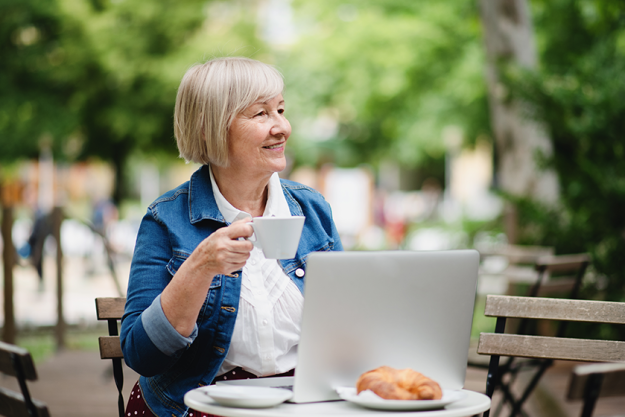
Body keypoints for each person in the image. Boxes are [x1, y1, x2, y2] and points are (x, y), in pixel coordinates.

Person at [120, 57, 343, 417]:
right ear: (210, 128)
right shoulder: (166, 220)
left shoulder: (311, 209)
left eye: (281, 110)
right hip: (200, 403)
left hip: (303, 399)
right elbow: (141, 355)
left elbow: (346, 323)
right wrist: (199, 267)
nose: (282, 127)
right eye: (261, 114)